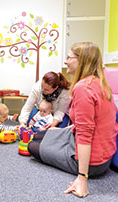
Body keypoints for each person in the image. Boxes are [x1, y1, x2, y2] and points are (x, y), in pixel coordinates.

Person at [28, 42, 118, 198]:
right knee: (38, 135)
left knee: (32, 146)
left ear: (81, 61)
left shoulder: (83, 88)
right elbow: (90, 124)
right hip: (100, 150)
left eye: (69, 57)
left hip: (94, 162)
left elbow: (85, 134)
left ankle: (82, 170)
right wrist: (61, 130)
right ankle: (57, 137)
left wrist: (82, 178)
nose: (65, 61)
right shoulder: (100, 83)